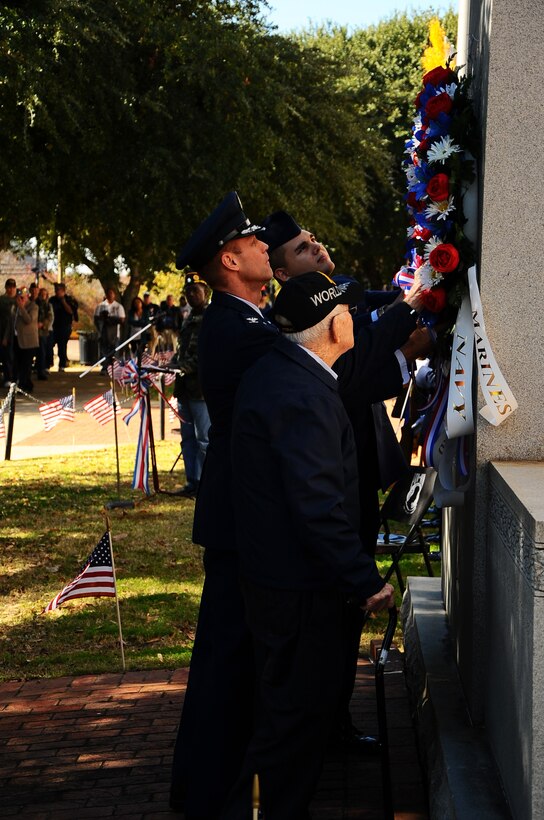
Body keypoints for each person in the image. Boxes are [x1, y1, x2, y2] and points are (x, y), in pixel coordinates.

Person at [222, 271, 395, 819]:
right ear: (337, 323)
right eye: (350, 313)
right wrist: (364, 581)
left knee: (286, 724)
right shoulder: (300, 392)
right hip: (295, 589)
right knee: (288, 731)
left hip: (281, 579)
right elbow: (317, 504)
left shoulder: (287, 372)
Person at [257, 210, 427, 747]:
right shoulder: (305, 330)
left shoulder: (336, 292)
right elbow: (352, 375)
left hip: (351, 467)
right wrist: (404, 335)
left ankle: (330, 718)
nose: (320, 250)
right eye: (305, 250)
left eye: (315, 240)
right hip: (332, 478)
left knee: (340, 614)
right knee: (331, 612)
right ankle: (312, 733)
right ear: (284, 274)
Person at [170, 191, 277, 818]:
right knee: (225, 661)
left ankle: (212, 785)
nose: (265, 246)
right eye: (254, 241)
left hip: (240, 517)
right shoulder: (232, 327)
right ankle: (209, 793)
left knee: (230, 656)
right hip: (240, 520)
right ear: (231, 261)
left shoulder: (246, 319)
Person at [172, 274, 211, 497]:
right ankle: (192, 482)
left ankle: (207, 484)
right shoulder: (188, 318)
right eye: (188, 292)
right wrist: (172, 364)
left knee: (204, 439)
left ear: (205, 292)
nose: (191, 295)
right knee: (187, 437)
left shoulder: (210, 317)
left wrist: (183, 366)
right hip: (184, 388)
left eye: (195, 290)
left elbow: (206, 354)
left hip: (200, 389)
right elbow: (183, 351)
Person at [13, 286, 39, 391]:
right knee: (18, 364)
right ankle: (25, 384)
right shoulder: (15, 307)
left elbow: (29, 320)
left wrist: (22, 308)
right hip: (17, 339)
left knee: (26, 364)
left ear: (27, 296)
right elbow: (12, 321)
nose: (21, 300)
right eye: (19, 297)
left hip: (29, 341)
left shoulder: (33, 306)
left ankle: (24, 386)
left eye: (23, 297)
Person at [94, 287, 126, 370]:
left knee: (114, 351)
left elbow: (122, 320)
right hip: (103, 333)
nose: (110, 295)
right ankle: (105, 367)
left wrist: (111, 319)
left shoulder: (118, 306)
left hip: (115, 334)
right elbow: (96, 319)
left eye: (112, 293)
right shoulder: (101, 306)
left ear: (114, 295)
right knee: (104, 351)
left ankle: (114, 368)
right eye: (108, 293)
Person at [49, 282, 78, 371]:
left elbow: (71, 312)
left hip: (64, 327)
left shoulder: (69, 300)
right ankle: (49, 363)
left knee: (62, 346)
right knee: (49, 344)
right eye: (56, 290)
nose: (57, 292)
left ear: (63, 291)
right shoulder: (52, 300)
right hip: (53, 326)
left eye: (59, 290)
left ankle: (62, 365)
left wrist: (63, 302)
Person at [0, 278, 17, 385]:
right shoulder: (1, 300)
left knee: (14, 356)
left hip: (16, 332)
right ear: (6, 288)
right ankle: (7, 378)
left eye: (13, 287)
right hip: (3, 331)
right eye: (9, 287)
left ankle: (13, 377)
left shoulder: (18, 300)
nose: (11, 289)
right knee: (6, 356)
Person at [36, 287, 54, 380]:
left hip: (43, 331)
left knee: (42, 352)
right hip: (33, 331)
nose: (43, 296)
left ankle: (42, 370)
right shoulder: (35, 303)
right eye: (41, 294)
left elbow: (50, 317)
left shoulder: (48, 305)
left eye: (45, 294)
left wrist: (42, 324)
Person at [142, 291, 160, 355]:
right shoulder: (141, 307)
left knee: (154, 337)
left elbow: (158, 316)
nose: (146, 299)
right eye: (145, 297)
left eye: (147, 297)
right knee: (148, 340)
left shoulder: (155, 307)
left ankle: (152, 352)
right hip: (144, 327)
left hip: (153, 326)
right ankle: (149, 352)